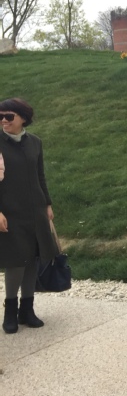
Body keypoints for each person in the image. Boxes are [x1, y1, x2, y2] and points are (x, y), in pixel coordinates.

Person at [0, 98, 58, 334]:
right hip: (9, 212)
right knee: (15, 261)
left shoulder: (35, 142)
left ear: (23, 118)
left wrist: (47, 204)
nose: (3, 121)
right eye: (0, 116)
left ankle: (27, 309)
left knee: (33, 257)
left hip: (35, 210)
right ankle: (10, 311)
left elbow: (40, 175)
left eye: (9, 116)